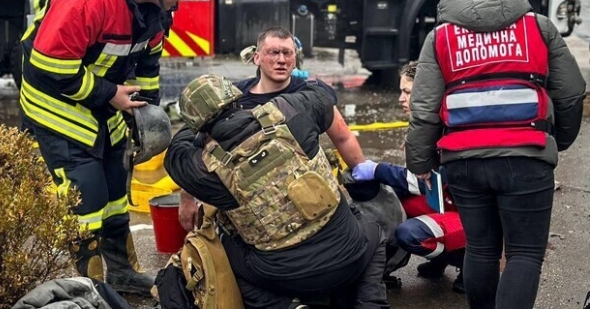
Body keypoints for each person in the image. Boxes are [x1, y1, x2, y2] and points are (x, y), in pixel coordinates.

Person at [19, 0, 207, 296]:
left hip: (105, 103)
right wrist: (110, 94)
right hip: (56, 104)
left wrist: (146, 114)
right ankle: (89, 289)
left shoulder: (154, 10)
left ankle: (122, 274)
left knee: (116, 188)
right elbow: (48, 66)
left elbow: (148, 66)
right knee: (87, 196)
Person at [405, 0, 586, 309]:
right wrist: (557, 141)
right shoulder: (538, 27)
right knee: (524, 254)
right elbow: (571, 92)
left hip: (464, 163)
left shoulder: (440, 37)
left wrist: (420, 161)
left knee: (481, 248)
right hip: (527, 155)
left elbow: (424, 109)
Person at [166, 74, 389, 309]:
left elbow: (175, 150)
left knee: (221, 251)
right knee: (374, 231)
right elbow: (323, 95)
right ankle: (370, 303)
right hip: (348, 256)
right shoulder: (288, 109)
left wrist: (198, 123)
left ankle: (282, 306)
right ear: (236, 99)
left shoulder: (203, 168)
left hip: (283, 279)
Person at [177, 27, 368, 232]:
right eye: (273, 53)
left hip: (309, 196)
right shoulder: (232, 98)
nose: (281, 60)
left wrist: (367, 181)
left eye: (287, 53)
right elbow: (199, 150)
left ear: (295, 59)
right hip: (251, 208)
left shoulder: (311, 94)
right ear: (257, 58)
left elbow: (343, 138)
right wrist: (187, 198)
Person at [351, 61, 466, 293]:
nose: (401, 99)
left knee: (410, 233)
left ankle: (467, 261)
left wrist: (378, 170)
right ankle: (443, 258)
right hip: (450, 203)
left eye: (407, 92)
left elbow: (426, 182)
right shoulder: (427, 124)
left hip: (474, 217)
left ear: (426, 93)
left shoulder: (448, 127)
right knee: (394, 201)